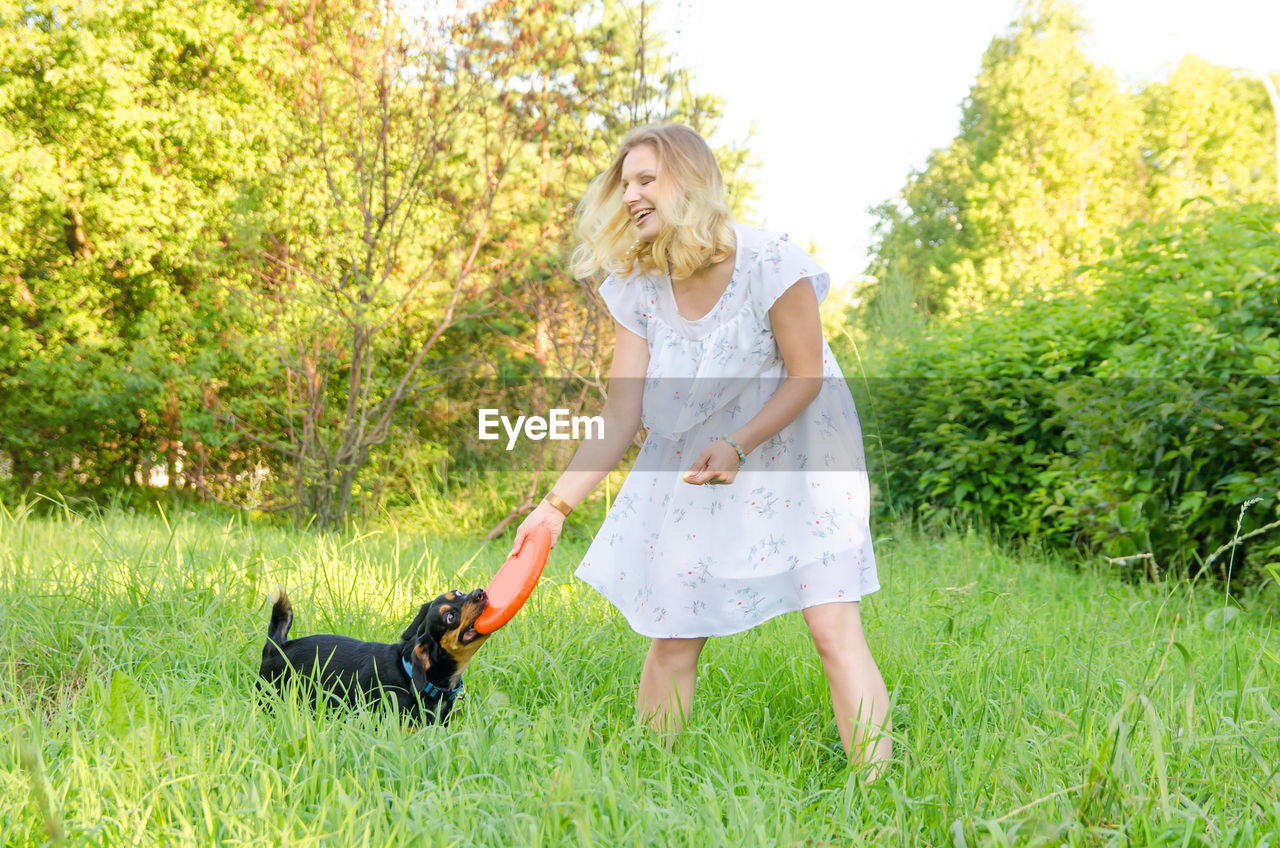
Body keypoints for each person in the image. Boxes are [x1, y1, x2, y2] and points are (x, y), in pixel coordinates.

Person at [510, 123, 891, 774]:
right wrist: (555, 507)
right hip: (698, 452)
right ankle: (647, 783)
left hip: (801, 449)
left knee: (831, 626)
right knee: (675, 628)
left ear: (689, 182)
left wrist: (738, 442)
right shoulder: (639, 282)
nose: (630, 194)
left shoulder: (770, 260)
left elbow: (806, 375)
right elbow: (623, 409)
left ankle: (880, 793)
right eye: (624, 182)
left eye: (645, 179)